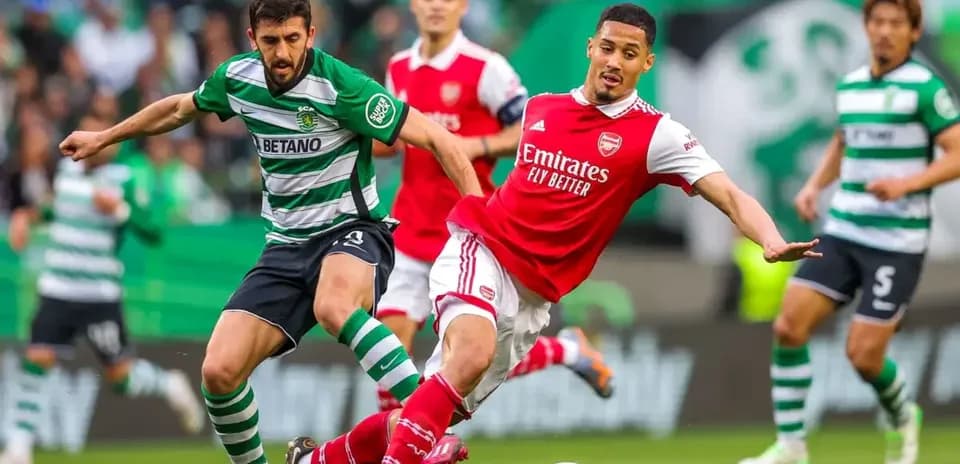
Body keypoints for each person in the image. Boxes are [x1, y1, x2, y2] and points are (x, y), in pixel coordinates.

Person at [285, 4, 820, 464]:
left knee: (423, 409)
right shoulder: (543, 109)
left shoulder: (658, 135)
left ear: (647, 63)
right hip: (481, 249)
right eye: (607, 48)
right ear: (591, 48)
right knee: (467, 356)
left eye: (629, 54)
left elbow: (728, 193)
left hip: (533, 298)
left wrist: (770, 239)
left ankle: (315, 459)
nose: (614, 62)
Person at [55, 1, 483, 463]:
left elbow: (440, 139)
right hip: (285, 248)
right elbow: (179, 109)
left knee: (334, 305)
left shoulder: (343, 85)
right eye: (271, 41)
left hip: (353, 231)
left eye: (292, 39)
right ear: (252, 38)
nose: (282, 52)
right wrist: (104, 137)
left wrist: (479, 226)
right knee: (219, 372)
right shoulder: (237, 79)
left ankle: (427, 424)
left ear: (311, 35)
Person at [739, 1, 960, 463]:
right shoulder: (852, 84)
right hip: (843, 229)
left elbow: (957, 153)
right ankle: (791, 446)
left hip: (896, 242)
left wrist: (908, 183)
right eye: (877, 22)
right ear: (866, 26)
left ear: (913, 32)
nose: (884, 31)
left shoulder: (924, 87)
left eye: (895, 23)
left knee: (863, 357)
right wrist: (814, 185)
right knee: (789, 327)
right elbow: (844, 140)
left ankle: (903, 415)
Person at [372, 0, 614, 417]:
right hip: (410, 232)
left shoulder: (486, 68)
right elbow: (389, 140)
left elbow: (531, 129)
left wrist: (476, 146)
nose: (436, 6)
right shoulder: (399, 67)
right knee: (389, 356)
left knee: (471, 361)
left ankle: (564, 350)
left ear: (463, 6)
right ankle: (412, 441)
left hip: (467, 233)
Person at [0, 116, 205, 464]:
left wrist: (120, 210)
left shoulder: (123, 180)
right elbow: (53, 208)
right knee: (38, 358)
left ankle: (169, 383)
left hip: (98, 295)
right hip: (58, 287)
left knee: (121, 378)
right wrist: (27, 217)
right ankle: (19, 448)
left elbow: (154, 232)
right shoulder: (66, 172)